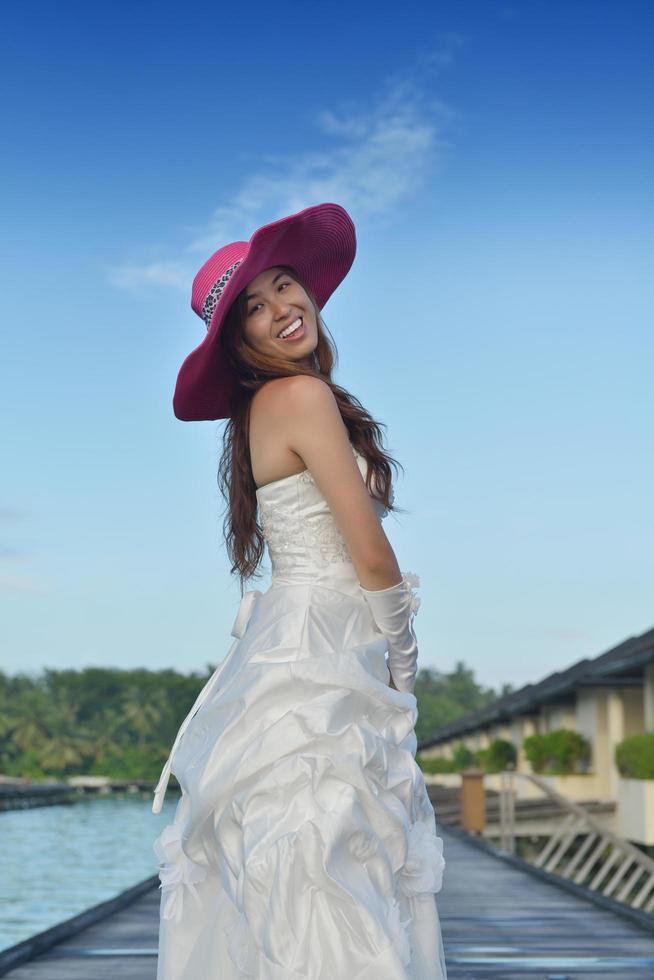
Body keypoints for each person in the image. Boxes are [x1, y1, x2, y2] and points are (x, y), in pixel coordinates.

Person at [152, 202, 447, 979]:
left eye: (285, 287)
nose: (281, 309)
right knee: (328, 877)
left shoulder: (265, 409)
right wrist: (404, 658)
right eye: (254, 308)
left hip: (297, 640)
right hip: (324, 643)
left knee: (305, 872)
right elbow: (371, 551)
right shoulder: (304, 398)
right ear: (241, 346)